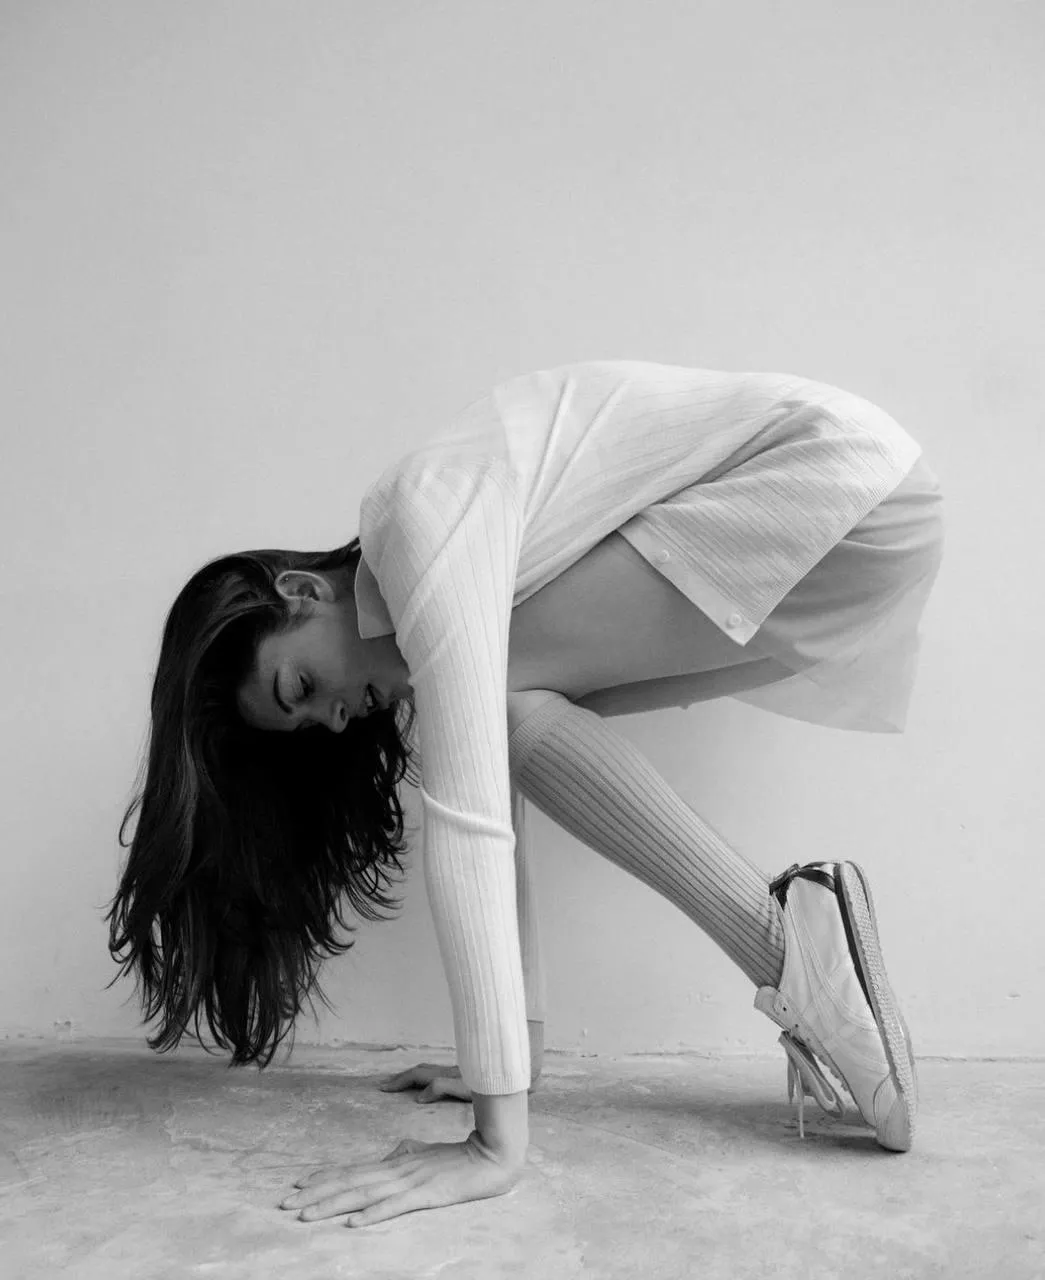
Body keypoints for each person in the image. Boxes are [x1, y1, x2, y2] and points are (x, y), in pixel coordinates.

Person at [106, 360, 945, 1228]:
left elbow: (470, 829)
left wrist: (492, 1145)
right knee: (495, 712)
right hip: (862, 515)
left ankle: (789, 947)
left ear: (302, 590)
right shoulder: (434, 585)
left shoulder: (418, 523)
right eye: (309, 721)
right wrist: (510, 1064)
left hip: (831, 487)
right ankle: (792, 945)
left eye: (301, 686)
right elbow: (491, 797)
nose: (332, 717)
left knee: (480, 714)